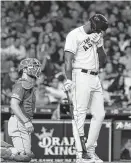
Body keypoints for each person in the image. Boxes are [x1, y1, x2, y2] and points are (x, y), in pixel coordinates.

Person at [63, 14, 108, 163]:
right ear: (93, 25)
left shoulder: (97, 37)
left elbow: (104, 61)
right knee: (79, 115)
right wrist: (68, 79)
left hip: (95, 78)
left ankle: (89, 150)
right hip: (79, 75)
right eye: (100, 30)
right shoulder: (74, 35)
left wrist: (100, 45)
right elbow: (67, 60)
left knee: (100, 114)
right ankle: (80, 155)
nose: (101, 32)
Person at [6, 58, 41, 162]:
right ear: (25, 69)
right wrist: (26, 122)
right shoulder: (21, 84)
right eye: (33, 66)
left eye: (36, 66)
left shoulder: (29, 84)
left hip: (22, 123)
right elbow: (13, 104)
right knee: (24, 157)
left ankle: (9, 153)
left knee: (27, 156)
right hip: (19, 122)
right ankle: (6, 152)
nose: (36, 69)